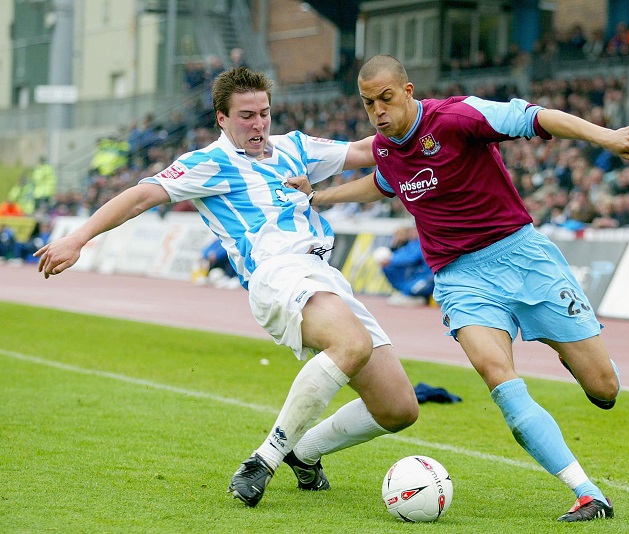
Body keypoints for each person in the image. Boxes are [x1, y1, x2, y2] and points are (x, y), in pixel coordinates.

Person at [35, 66, 418, 508]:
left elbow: (365, 149)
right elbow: (142, 195)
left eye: (264, 113)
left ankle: (304, 450)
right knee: (350, 344)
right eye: (245, 116)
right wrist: (77, 237)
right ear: (221, 118)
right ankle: (265, 458)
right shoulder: (208, 163)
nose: (258, 125)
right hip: (277, 275)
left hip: (324, 275)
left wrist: (431, 122)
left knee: (398, 408)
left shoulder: (295, 146)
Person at [291, 54, 629, 522]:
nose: (378, 111)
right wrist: (321, 197)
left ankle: (565, 343)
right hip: (460, 278)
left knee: (605, 390)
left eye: (385, 99)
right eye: (367, 104)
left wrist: (607, 137)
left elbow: (538, 118)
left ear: (407, 91)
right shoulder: (385, 149)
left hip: (524, 258)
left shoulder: (458, 117)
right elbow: (383, 184)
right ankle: (587, 493)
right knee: (497, 375)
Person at [375, 225, 433, 306]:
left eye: (415, 230)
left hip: (429, 277)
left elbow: (411, 257)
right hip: (417, 276)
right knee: (387, 268)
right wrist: (388, 259)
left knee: (411, 289)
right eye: (412, 230)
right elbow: (402, 254)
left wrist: (390, 260)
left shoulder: (424, 243)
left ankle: (422, 299)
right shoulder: (411, 243)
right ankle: (410, 295)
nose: (413, 232)